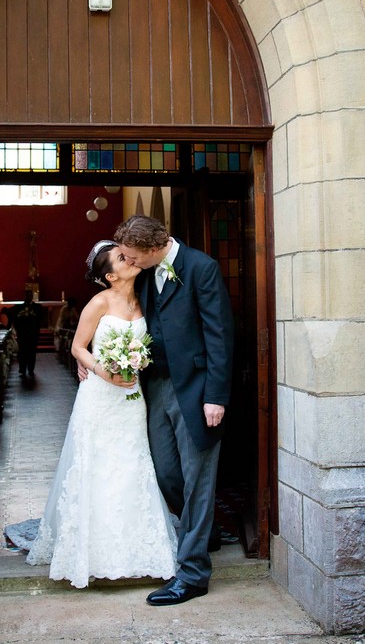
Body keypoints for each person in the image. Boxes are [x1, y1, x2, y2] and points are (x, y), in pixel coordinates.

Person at [25, 240, 177, 588]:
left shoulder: (146, 299)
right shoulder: (99, 302)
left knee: (133, 464)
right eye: (123, 258)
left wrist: (135, 365)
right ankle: (91, 552)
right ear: (110, 275)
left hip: (131, 397)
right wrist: (99, 369)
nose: (131, 259)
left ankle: (138, 550)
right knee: (96, 465)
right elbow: (79, 347)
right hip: (99, 398)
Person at [113, 214, 234, 607]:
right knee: (166, 471)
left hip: (197, 392)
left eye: (132, 256)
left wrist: (216, 396)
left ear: (152, 249)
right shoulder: (145, 273)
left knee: (198, 479)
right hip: (158, 386)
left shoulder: (201, 268)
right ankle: (205, 532)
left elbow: (220, 334)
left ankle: (193, 573)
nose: (129, 262)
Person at [11, 288, 43, 380]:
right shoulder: (18, 308)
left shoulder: (37, 307)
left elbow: (40, 319)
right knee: (22, 352)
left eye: (30, 295)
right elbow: (15, 320)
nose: (28, 297)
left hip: (33, 333)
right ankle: (22, 370)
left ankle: (31, 369)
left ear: (32, 296)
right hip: (22, 333)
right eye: (27, 295)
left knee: (32, 352)